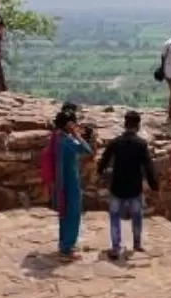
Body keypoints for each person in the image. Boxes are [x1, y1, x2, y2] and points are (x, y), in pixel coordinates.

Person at [97, 110, 157, 259]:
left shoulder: (116, 142)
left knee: (115, 216)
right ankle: (137, 243)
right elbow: (148, 166)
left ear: (125, 124)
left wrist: (99, 172)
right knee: (137, 215)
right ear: (137, 125)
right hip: (134, 187)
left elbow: (104, 160)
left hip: (117, 186)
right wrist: (154, 184)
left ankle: (116, 247)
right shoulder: (141, 144)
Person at [52, 109, 95, 260]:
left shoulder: (56, 137)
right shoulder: (67, 141)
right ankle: (67, 248)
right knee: (72, 213)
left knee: (64, 214)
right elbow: (87, 150)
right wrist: (77, 134)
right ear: (69, 124)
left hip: (59, 181)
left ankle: (63, 243)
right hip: (70, 181)